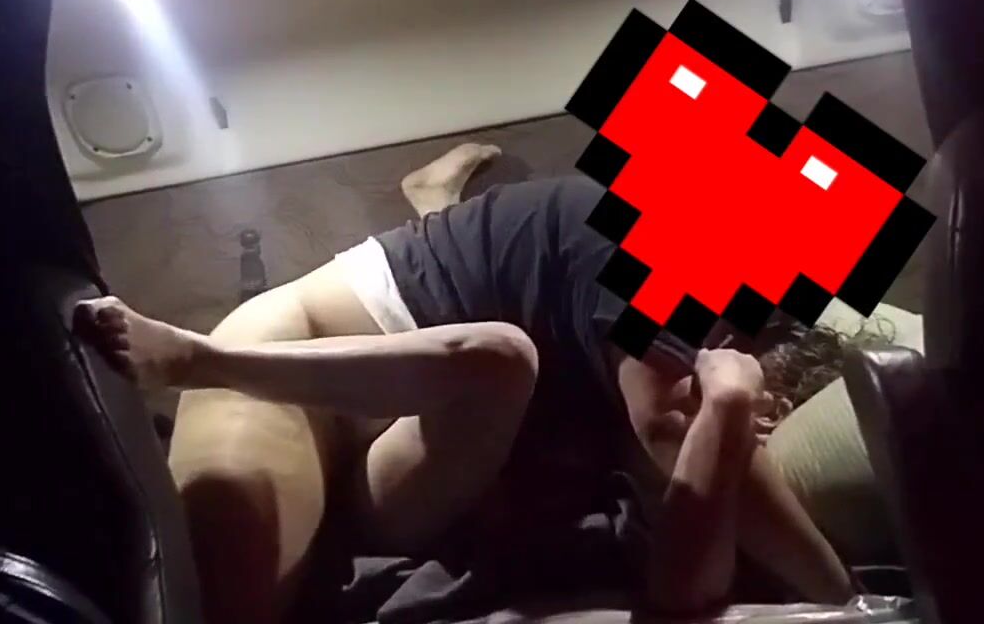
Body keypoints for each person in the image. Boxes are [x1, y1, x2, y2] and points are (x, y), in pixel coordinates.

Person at [76, 143, 854, 621]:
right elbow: (674, 434)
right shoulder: (660, 257)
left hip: (413, 454)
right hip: (301, 364)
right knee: (221, 587)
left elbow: (685, 567)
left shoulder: (647, 373)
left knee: (500, 359)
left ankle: (437, 204)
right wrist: (841, 593)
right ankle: (196, 359)